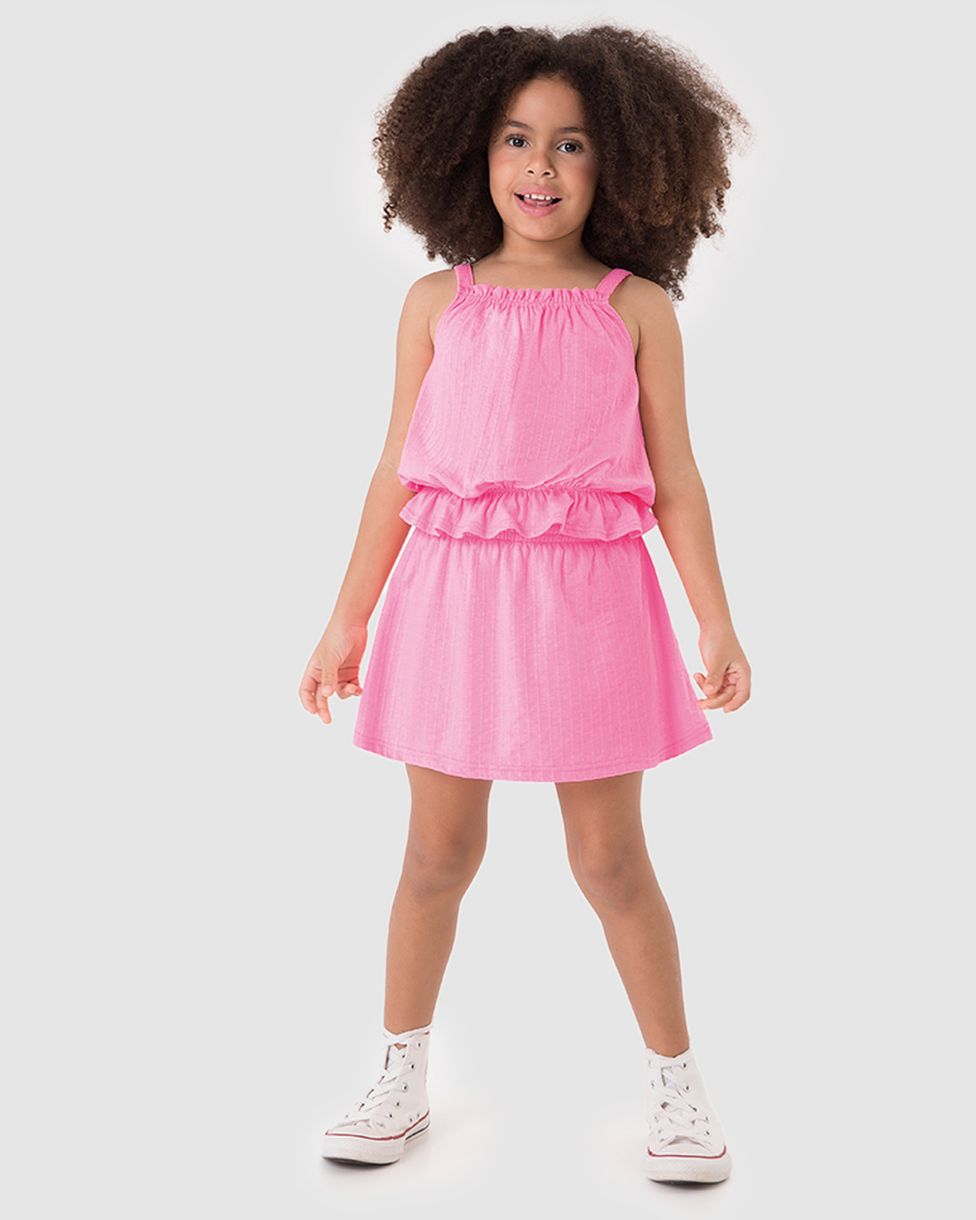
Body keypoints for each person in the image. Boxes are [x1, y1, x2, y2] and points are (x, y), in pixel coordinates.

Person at [299, 23, 753, 1186]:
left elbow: (676, 478)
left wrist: (713, 616)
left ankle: (678, 1083)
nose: (539, 165)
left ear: (624, 165)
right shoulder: (434, 302)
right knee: (435, 851)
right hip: (450, 603)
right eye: (514, 138)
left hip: (590, 608)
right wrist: (348, 616)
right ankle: (399, 1072)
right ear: (468, 151)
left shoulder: (634, 308)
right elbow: (395, 471)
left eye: (571, 143)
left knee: (610, 858)